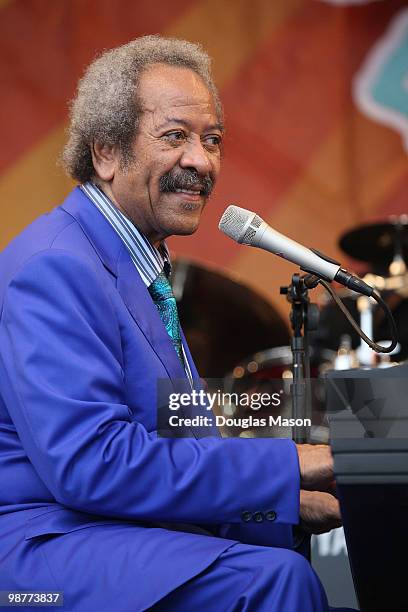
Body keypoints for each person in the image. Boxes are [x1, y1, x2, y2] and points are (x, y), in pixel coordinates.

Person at [0, 36, 350, 611]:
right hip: (43, 549)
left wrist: (278, 505)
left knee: (287, 552)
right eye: (175, 137)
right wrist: (288, 466)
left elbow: (175, 438)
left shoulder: (131, 262)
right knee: (274, 580)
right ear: (107, 152)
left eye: (213, 140)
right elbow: (93, 464)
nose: (202, 161)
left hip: (109, 529)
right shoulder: (56, 267)